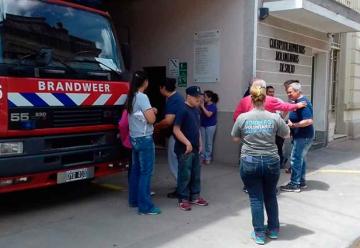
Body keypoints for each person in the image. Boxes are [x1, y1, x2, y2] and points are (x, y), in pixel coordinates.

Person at [231, 85, 290, 245]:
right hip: (271, 160)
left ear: (251, 98)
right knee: (270, 195)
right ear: (265, 99)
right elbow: (286, 134)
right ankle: (273, 230)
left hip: (250, 160)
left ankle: (259, 234)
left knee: (256, 198)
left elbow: (235, 138)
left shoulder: (242, 118)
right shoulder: (274, 118)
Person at [126, 71, 161, 215]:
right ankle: (145, 207)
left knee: (136, 171)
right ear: (145, 82)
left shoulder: (131, 96)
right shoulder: (142, 96)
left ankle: (134, 200)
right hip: (145, 138)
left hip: (134, 137)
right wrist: (154, 111)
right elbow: (151, 119)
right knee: (146, 172)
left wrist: (150, 111)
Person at [173, 86, 209, 211]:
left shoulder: (196, 110)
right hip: (184, 149)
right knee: (185, 174)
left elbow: (197, 128)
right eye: (197, 97)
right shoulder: (182, 109)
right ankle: (183, 198)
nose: (199, 99)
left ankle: (195, 196)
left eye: (200, 97)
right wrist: (187, 143)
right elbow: (176, 129)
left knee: (196, 173)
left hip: (195, 148)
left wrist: (200, 142)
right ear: (189, 96)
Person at [280, 82, 314, 192]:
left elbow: (309, 121)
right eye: (287, 92)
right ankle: (301, 182)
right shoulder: (296, 102)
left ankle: (294, 184)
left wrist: (294, 125)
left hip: (303, 136)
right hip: (300, 135)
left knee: (295, 159)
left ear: (297, 91)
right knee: (301, 159)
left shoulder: (303, 103)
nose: (288, 94)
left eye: (290, 92)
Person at [154, 78, 185, 198]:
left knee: (175, 162)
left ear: (163, 88)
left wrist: (156, 126)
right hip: (181, 134)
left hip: (176, 135)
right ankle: (183, 185)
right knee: (179, 162)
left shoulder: (173, 100)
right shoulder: (177, 97)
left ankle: (181, 188)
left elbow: (168, 121)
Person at [266, 86, 285, 168]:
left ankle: (280, 162)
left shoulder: (278, 100)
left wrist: (282, 117)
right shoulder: (263, 101)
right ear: (265, 92)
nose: (272, 93)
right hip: (268, 128)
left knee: (278, 145)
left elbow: (286, 108)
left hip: (278, 128)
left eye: (272, 92)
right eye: (270, 92)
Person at [200, 90, 219, 165]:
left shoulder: (213, 106)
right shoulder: (203, 105)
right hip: (202, 125)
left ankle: (208, 158)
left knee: (209, 143)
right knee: (202, 142)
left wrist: (202, 107)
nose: (203, 98)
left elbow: (208, 115)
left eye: (205, 97)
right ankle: (202, 157)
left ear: (209, 98)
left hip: (210, 126)